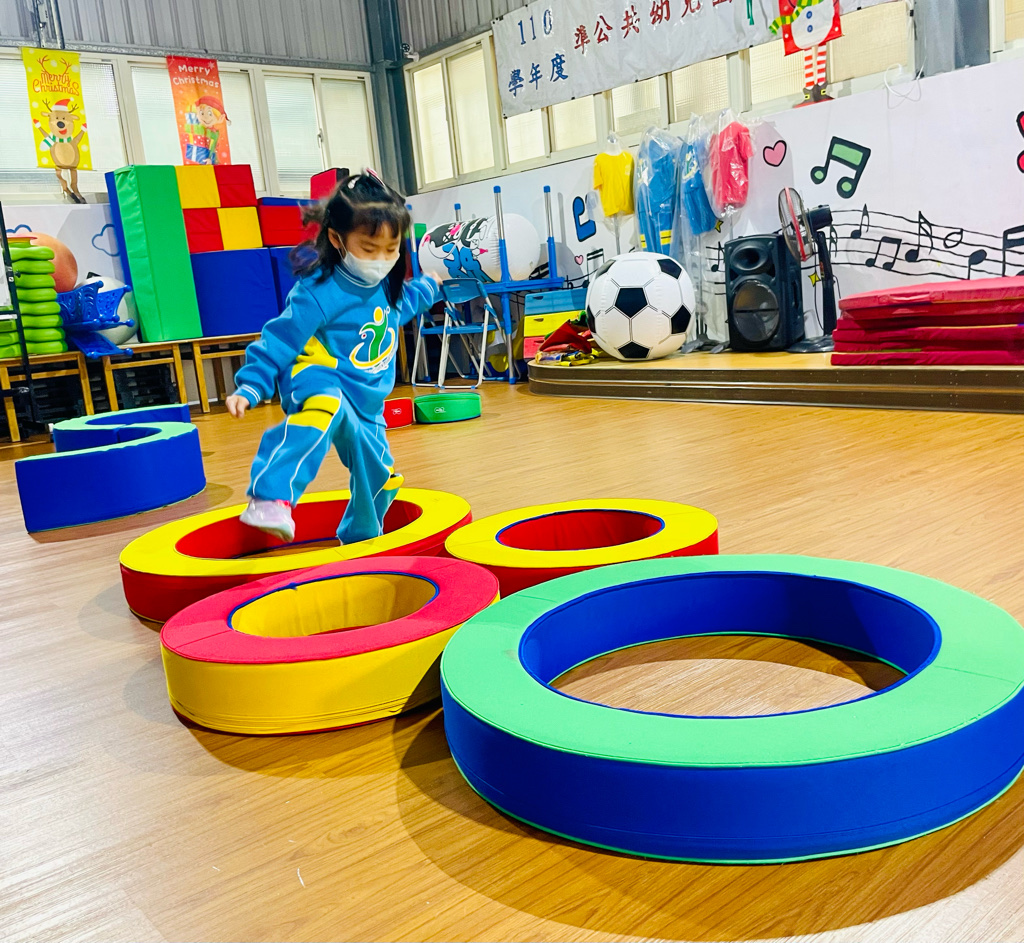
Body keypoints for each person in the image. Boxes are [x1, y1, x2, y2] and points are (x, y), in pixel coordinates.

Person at [225, 172, 441, 544]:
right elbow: (280, 338)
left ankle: (360, 536)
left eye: (391, 250)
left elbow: (407, 302)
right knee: (325, 406)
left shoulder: (386, 288)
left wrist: (431, 285)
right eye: (369, 249)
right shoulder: (319, 291)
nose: (381, 260)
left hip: (366, 402)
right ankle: (271, 497)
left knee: (380, 476)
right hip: (317, 374)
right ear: (337, 239)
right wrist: (251, 385)